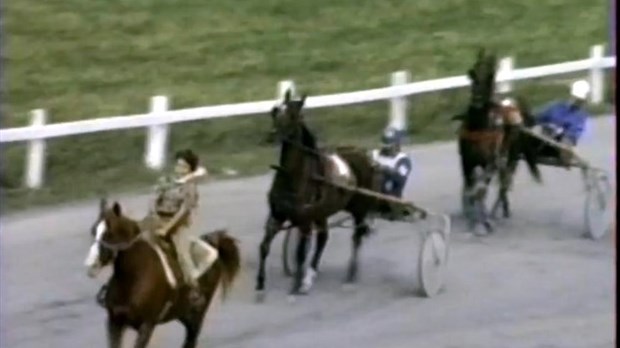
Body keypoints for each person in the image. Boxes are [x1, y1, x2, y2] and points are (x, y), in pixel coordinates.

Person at [97, 149, 218, 308]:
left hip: (177, 225)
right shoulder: (167, 180)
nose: (179, 168)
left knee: (182, 254)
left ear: (190, 169)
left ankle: (194, 289)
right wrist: (152, 215)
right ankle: (113, 282)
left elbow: (183, 211)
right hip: (157, 219)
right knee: (129, 240)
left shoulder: (190, 187)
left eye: (183, 166)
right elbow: (154, 199)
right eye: (178, 165)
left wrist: (167, 229)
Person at [534, 79, 591, 165]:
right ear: (571, 95)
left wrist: (559, 134)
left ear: (584, 100)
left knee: (566, 142)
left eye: (579, 100)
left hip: (558, 147)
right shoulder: (556, 106)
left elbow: (572, 136)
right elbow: (536, 117)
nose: (576, 101)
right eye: (575, 98)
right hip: (541, 141)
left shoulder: (580, 116)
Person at [372, 127, 413, 198]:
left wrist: (384, 169)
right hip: (370, 193)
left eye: (390, 146)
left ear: (397, 145)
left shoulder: (403, 160)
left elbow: (400, 178)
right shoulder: (374, 154)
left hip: (391, 198)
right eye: (384, 146)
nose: (386, 149)